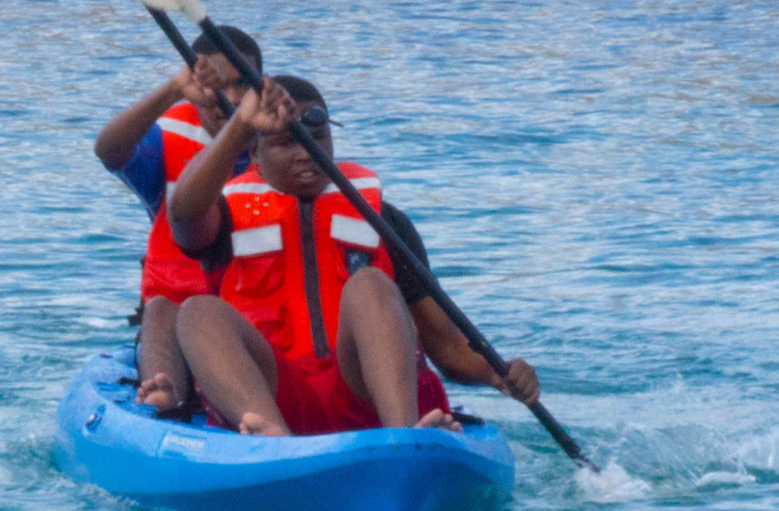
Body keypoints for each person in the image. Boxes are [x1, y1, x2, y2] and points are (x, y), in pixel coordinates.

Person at [163, 74, 540, 437]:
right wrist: (241, 124)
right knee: (197, 311)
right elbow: (182, 213)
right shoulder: (225, 216)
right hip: (274, 397)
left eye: (317, 138)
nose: (306, 154)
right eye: (286, 143)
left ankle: (403, 439)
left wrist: (497, 373)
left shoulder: (383, 220)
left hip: (369, 394)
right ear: (255, 154)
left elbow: (445, 343)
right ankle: (271, 437)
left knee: (371, 284)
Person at [93, 26, 263, 411]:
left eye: (240, 86)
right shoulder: (166, 145)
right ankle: (164, 396)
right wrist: (173, 89)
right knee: (163, 307)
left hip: (258, 321)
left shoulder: (285, 149)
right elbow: (109, 150)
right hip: (180, 319)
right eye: (215, 86)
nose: (226, 99)